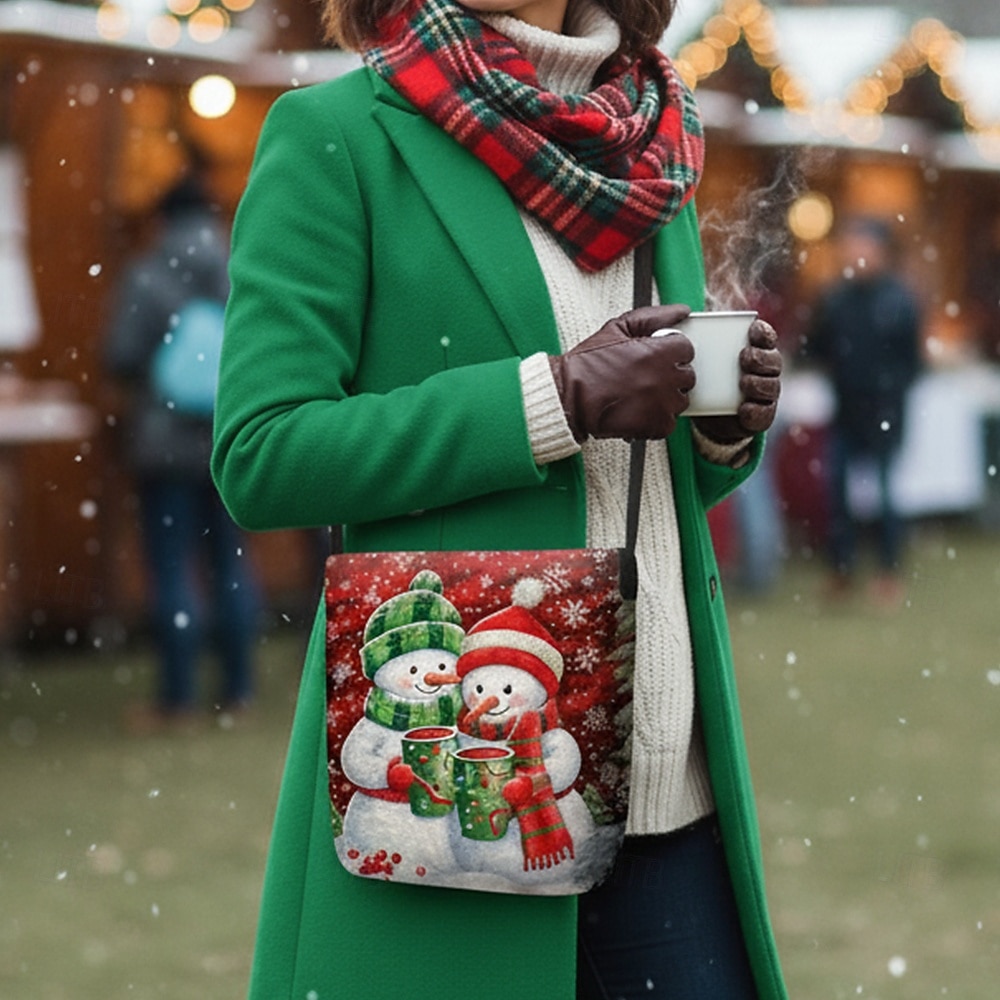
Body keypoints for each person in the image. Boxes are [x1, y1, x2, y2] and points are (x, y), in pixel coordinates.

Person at [211, 0, 787, 997]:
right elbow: (263, 452)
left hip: (668, 792)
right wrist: (552, 398)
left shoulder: (657, 152)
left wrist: (725, 431)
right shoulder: (336, 136)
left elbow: (655, 483)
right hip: (459, 795)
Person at [105, 171, 260, 730]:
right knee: (231, 565)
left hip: (162, 445)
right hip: (229, 439)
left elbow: (120, 356)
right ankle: (239, 690)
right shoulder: (242, 269)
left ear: (164, 218)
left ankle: (178, 697)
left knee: (173, 568)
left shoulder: (145, 275)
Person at [806, 216, 922, 606]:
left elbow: (912, 361)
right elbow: (817, 347)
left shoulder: (899, 300)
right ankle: (841, 569)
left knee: (886, 495)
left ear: (882, 253)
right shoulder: (836, 298)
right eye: (852, 246)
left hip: (886, 411)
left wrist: (889, 389)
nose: (856, 254)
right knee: (837, 491)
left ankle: (888, 571)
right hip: (846, 410)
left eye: (864, 246)